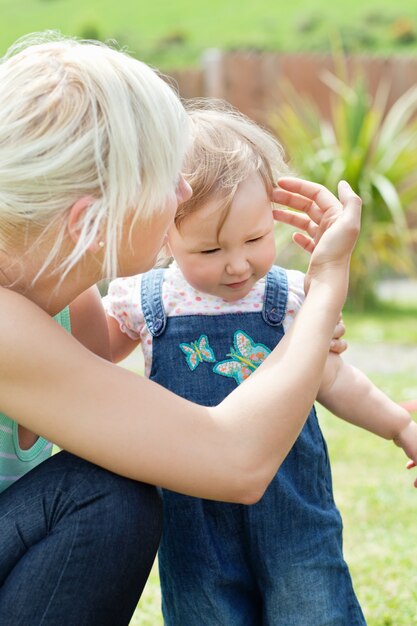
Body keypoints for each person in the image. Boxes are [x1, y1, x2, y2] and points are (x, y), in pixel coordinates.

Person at [0, 32, 362, 625]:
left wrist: (291, 334)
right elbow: (234, 461)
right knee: (103, 497)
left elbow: (158, 419)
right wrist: (323, 288)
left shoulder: (62, 288)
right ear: (91, 221)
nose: (185, 190)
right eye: (164, 176)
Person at [104, 103, 416, 626]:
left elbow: (334, 378)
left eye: (254, 239)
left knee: (312, 602)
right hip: (192, 509)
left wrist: (401, 425)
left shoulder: (294, 297)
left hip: (292, 503)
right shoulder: (144, 300)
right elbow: (85, 359)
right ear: (164, 234)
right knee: (207, 611)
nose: (237, 263)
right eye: (208, 249)